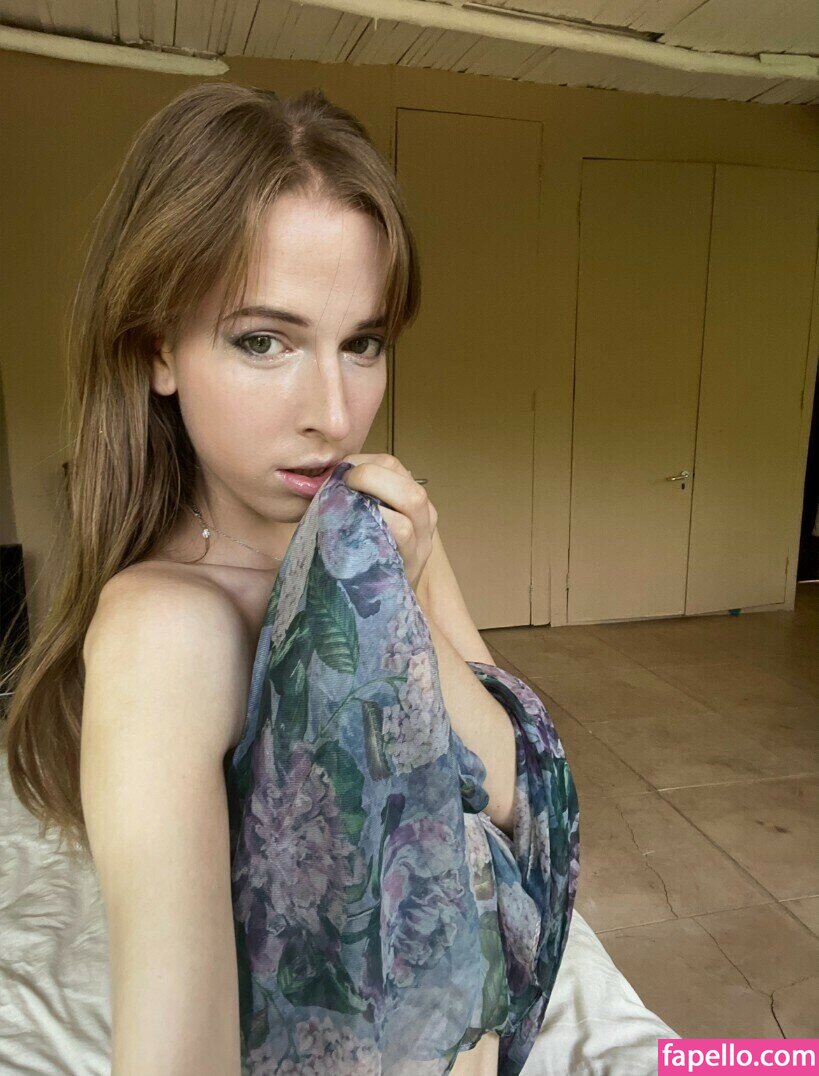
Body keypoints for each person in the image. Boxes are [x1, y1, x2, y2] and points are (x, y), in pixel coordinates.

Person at [2, 82, 535, 1074]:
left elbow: (520, 794)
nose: (332, 411)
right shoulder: (166, 630)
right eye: (264, 341)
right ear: (159, 349)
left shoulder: (381, 529)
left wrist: (399, 600)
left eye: (362, 343)